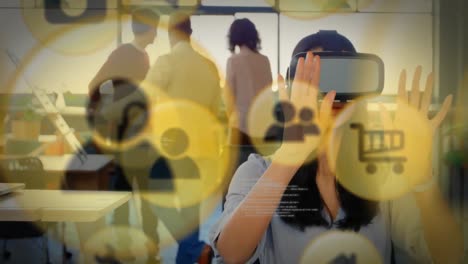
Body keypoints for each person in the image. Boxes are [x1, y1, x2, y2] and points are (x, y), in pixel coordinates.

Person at [209, 31, 463, 264]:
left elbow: (450, 256)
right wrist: (289, 158)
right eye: (317, 80)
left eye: (346, 79)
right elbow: (232, 253)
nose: (334, 95)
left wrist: (422, 179)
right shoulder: (257, 171)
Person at [84, 8, 161, 264]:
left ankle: (150, 249)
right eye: (155, 27)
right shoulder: (124, 53)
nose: (157, 33)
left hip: (143, 135)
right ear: (148, 29)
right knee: (123, 193)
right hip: (125, 136)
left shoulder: (143, 56)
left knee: (145, 194)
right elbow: (94, 84)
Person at [145, 11, 221, 264]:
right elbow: (217, 110)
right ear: (190, 33)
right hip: (203, 149)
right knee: (189, 212)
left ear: (170, 34)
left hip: (170, 148)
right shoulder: (209, 66)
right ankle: (193, 252)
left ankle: (195, 248)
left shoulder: (166, 61)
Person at [224, 18, 272, 148]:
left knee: (240, 167)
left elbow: (229, 98)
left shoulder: (233, 61)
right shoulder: (265, 61)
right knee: (261, 167)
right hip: (263, 126)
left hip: (241, 128)